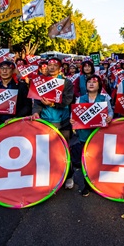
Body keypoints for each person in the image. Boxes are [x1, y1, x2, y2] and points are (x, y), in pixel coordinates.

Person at [31, 57, 75, 188]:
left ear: (60, 68)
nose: (51, 67)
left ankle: (68, 176)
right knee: (45, 150)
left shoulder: (67, 83)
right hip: (45, 121)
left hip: (63, 122)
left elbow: (68, 100)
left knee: (64, 150)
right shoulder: (40, 82)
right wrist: (36, 112)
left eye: (55, 65)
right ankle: (50, 177)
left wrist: (53, 103)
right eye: (49, 65)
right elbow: (37, 101)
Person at [70, 74, 113, 196]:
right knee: (86, 159)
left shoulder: (104, 98)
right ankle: (87, 184)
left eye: (94, 82)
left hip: (99, 133)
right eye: (89, 82)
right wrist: (72, 120)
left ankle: (99, 183)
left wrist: (110, 116)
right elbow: (74, 114)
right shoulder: (80, 98)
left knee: (99, 159)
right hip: (84, 134)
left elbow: (110, 111)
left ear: (99, 85)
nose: (91, 84)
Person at [0, 60, 32, 129]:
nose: (4, 71)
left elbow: (28, 106)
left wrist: (15, 118)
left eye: (8, 68)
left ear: (13, 71)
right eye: (2, 68)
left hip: (17, 124)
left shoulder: (21, 86)